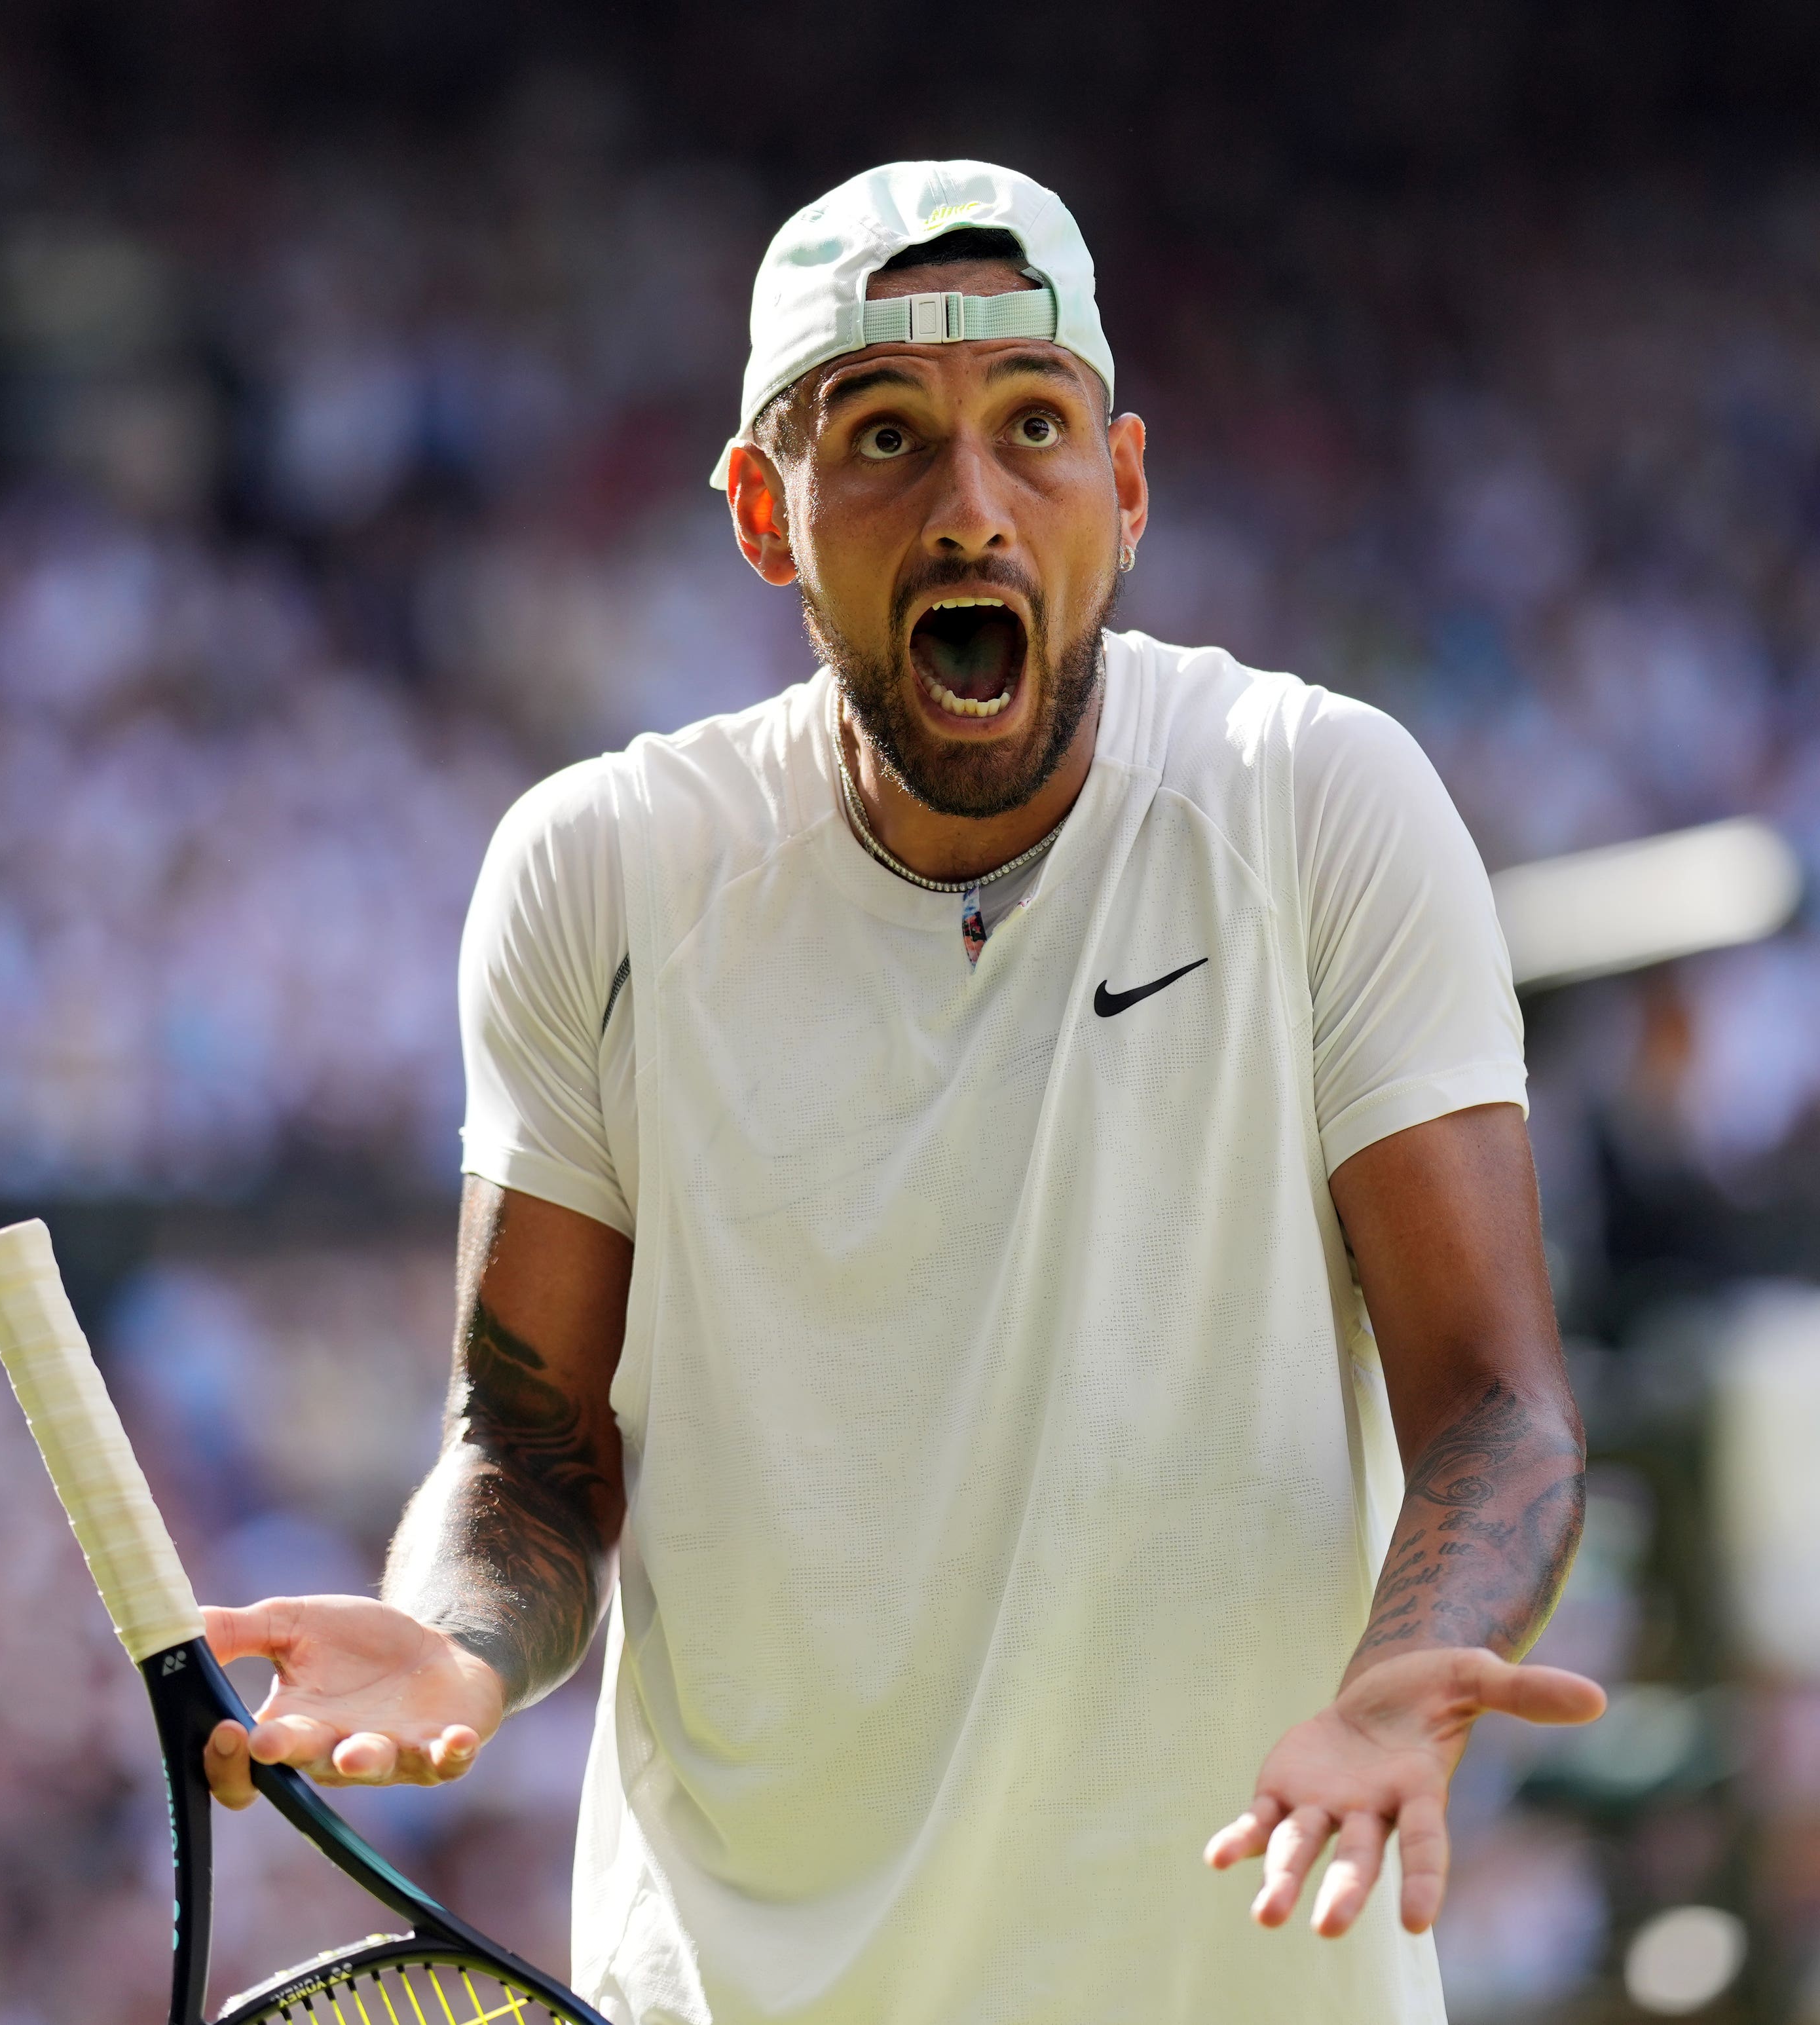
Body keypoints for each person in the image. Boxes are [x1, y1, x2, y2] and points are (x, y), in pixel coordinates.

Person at [196, 159, 1604, 2023]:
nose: (972, 508)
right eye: (883, 436)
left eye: (1036, 428)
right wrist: (461, 1646)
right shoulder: (600, 872)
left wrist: (1405, 1668)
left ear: (1129, 489)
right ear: (765, 513)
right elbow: (526, 1451)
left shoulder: (1314, 802)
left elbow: (1499, 1406)